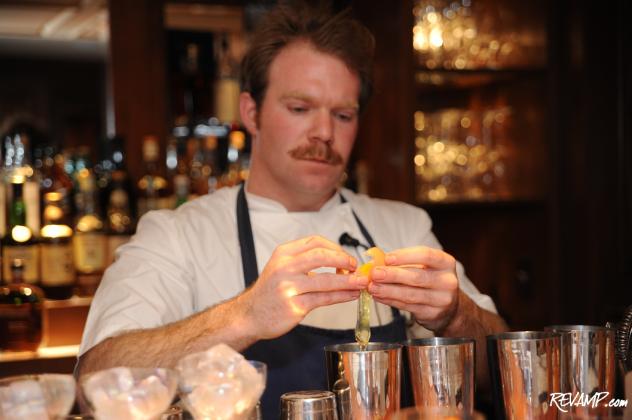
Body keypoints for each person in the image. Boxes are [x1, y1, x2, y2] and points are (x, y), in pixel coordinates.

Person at [77, 1, 508, 417]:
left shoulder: (403, 225)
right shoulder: (177, 235)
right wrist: (244, 315)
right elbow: (91, 384)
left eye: (343, 115)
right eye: (300, 108)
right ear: (252, 112)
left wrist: (455, 315)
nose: (323, 132)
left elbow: (504, 376)